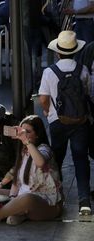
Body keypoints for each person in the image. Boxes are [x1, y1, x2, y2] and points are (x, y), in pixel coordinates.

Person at [0, 115, 64, 225]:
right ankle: (17, 213)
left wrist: (26, 141)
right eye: (23, 131)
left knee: (26, 199)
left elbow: (40, 162)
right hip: (23, 195)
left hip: (47, 204)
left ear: (37, 134)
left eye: (28, 131)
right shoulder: (24, 150)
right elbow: (16, 175)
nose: (24, 134)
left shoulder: (44, 148)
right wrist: (5, 189)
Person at [38, 30, 92, 215]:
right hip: (80, 121)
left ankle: (56, 196)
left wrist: (47, 112)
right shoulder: (83, 70)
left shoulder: (49, 72)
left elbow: (43, 99)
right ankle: (84, 201)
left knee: (57, 158)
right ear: (75, 51)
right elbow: (86, 94)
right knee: (80, 159)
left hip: (57, 121)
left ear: (58, 51)